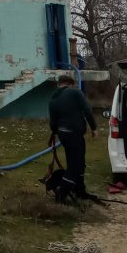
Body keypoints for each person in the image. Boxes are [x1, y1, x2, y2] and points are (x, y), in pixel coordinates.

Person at [48, 71, 97, 201]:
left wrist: (56, 131)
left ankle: (80, 191)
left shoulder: (53, 98)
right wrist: (94, 128)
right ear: (70, 84)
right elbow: (87, 110)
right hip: (74, 134)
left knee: (78, 162)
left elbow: (53, 122)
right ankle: (61, 195)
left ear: (59, 84)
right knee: (75, 166)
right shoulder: (75, 92)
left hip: (63, 135)